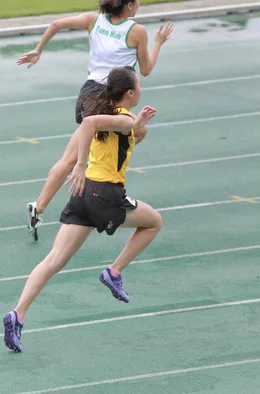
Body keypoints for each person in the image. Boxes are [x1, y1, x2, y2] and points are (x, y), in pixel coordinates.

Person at [3, 66, 161, 352]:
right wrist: (78, 164)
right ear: (129, 93)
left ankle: (18, 314)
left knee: (54, 260)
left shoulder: (113, 115)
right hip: (106, 194)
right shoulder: (120, 119)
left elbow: (128, 139)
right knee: (153, 222)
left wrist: (141, 124)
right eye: (138, 85)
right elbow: (88, 124)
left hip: (83, 193)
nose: (141, 89)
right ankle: (114, 272)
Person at [18, 0, 173, 240]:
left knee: (72, 156)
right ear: (129, 6)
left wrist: (39, 50)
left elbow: (56, 23)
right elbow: (146, 69)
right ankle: (98, 170)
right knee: (136, 130)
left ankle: (38, 207)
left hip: (87, 94)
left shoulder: (93, 20)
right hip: (106, 98)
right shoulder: (137, 31)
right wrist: (158, 43)